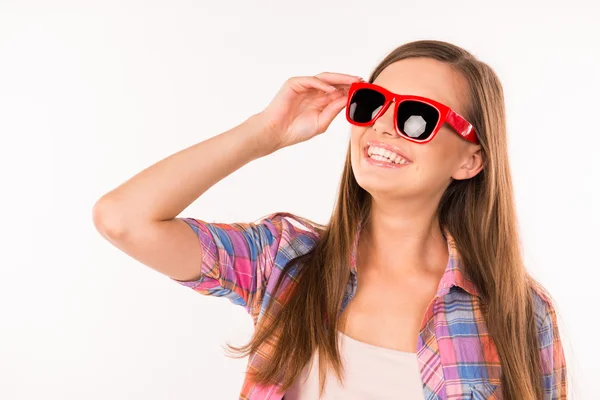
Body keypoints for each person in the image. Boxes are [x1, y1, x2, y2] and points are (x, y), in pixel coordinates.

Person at [93, 39, 568, 400]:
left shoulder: (519, 313)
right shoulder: (284, 262)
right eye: (371, 103)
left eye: (417, 117)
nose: (381, 125)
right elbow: (123, 219)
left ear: (470, 160)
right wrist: (265, 132)